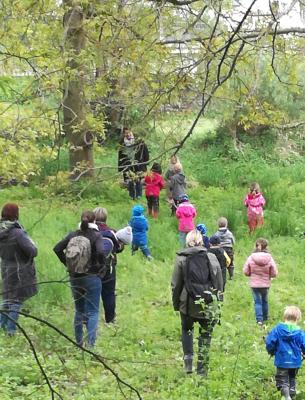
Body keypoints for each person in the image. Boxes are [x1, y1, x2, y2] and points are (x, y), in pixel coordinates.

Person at [171, 230, 223, 376]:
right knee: (205, 335)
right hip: (208, 304)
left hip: (187, 304)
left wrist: (176, 304)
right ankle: (202, 370)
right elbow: (219, 283)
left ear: (187, 242)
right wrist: (217, 304)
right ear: (202, 241)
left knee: (186, 329)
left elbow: (176, 285)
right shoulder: (212, 257)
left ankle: (188, 362)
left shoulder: (181, 259)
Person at [53, 211, 105, 346]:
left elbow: (57, 248)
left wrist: (67, 263)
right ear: (94, 221)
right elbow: (100, 252)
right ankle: (91, 345)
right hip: (92, 276)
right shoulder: (96, 236)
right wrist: (100, 267)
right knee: (93, 312)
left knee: (79, 310)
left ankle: (78, 342)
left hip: (74, 276)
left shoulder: (73, 234)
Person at [0, 203, 38, 336]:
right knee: (16, 300)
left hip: (5, 268)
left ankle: (2, 326)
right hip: (20, 270)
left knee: (7, 299)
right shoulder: (18, 233)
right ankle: (11, 331)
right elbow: (32, 251)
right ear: (16, 214)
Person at [94, 207, 132, 325]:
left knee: (92, 292)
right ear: (106, 218)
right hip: (109, 267)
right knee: (109, 293)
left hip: (92, 267)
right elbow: (119, 248)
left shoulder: (90, 232)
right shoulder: (111, 232)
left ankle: (90, 319)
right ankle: (110, 319)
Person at [266, 306, 305, 400]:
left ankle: (287, 397)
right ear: (297, 318)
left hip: (282, 360)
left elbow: (270, 342)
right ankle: (292, 393)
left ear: (285, 317)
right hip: (295, 361)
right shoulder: (300, 332)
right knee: (292, 377)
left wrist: (271, 351)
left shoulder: (277, 330)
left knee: (282, 380)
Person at [243, 238, 277, 326]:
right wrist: (269, 275)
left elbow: (246, 271)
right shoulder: (269, 258)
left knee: (257, 302)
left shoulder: (251, 257)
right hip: (265, 284)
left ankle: (259, 320)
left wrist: (252, 274)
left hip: (254, 284)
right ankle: (265, 317)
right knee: (265, 300)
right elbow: (274, 273)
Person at [118, 128, 149, 200]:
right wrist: (121, 167)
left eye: (129, 133)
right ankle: (131, 196)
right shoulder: (122, 144)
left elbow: (145, 152)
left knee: (138, 180)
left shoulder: (139, 141)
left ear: (131, 132)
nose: (128, 134)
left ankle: (139, 195)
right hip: (128, 164)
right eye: (126, 133)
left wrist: (146, 162)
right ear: (124, 134)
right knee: (130, 180)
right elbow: (120, 156)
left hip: (138, 164)